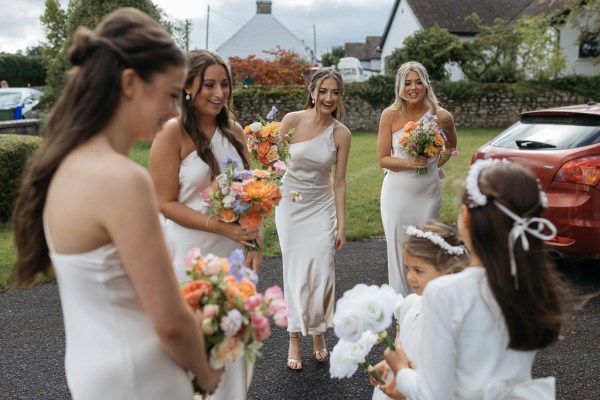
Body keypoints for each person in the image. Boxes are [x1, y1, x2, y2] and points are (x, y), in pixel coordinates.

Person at [11, 8, 222, 400]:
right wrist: (206, 374)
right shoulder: (122, 180)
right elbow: (170, 321)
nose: (175, 111)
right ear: (129, 82)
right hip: (141, 377)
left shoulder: (62, 164)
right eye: (171, 95)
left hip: (91, 373)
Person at [383, 159, 566, 399]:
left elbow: (434, 395)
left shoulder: (446, 292)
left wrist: (400, 370)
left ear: (466, 217)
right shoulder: (530, 285)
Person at [149, 49, 259, 400]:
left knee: (232, 342)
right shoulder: (172, 133)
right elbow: (164, 203)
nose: (218, 93)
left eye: (224, 84)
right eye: (208, 84)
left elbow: (253, 192)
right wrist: (221, 227)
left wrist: (255, 240)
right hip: (189, 254)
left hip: (232, 254)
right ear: (188, 87)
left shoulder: (236, 131)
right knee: (197, 345)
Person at [275, 67, 351, 370]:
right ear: (312, 92)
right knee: (294, 271)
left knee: (322, 270)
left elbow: (340, 182)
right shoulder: (291, 121)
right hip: (290, 205)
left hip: (321, 206)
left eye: (334, 92)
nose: (328, 97)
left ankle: (318, 331)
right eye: (323, 91)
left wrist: (342, 224)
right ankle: (295, 335)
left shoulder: (341, 133)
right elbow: (272, 163)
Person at [378, 61, 458, 296]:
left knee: (424, 250)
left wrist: (435, 163)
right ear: (399, 87)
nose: (413, 88)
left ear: (426, 84)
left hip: (427, 194)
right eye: (407, 83)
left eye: (418, 82)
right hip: (396, 195)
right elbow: (383, 158)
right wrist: (408, 163)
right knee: (398, 251)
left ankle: (424, 306)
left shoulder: (441, 116)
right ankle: (401, 315)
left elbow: (451, 146)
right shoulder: (389, 115)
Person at [370, 220, 469, 400]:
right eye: (408, 269)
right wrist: (390, 364)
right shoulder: (410, 303)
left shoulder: (456, 321)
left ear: (448, 271)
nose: (410, 278)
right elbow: (407, 346)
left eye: (418, 270)